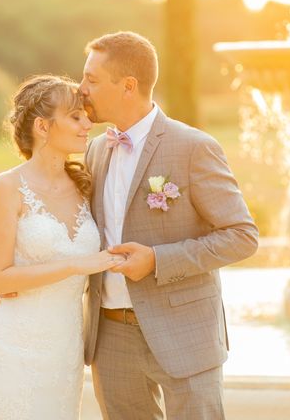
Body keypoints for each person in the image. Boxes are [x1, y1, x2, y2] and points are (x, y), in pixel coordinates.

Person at [80, 31, 259, 420]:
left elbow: (242, 236)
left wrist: (158, 261)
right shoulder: (95, 149)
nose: (81, 90)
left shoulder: (194, 147)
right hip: (110, 337)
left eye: (91, 80)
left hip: (185, 333)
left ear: (128, 86)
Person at [0, 75, 123, 420]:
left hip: (65, 346)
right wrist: (78, 265)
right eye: (76, 116)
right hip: (11, 344)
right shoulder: (8, 186)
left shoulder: (86, 183)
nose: (87, 124)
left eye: (86, 116)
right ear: (42, 126)